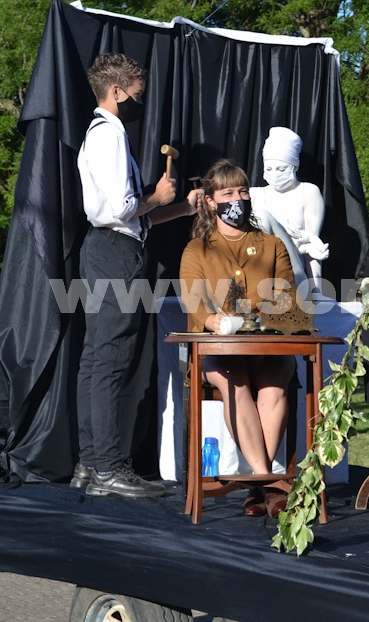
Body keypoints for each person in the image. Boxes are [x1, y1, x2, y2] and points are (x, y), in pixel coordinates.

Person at [72, 52, 201, 499]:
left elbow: (129, 217)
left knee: (96, 358)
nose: (139, 102)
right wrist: (156, 194)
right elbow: (123, 210)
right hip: (114, 254)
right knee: (109, 361)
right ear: (117, 92)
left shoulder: (103, 134)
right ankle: (108, 467)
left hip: (109, 249)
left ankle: (90, 465)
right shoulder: (109, 135)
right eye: (136, 95)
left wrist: (180, 207)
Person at [179, 158, 296, 518]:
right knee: (237, 381)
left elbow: (287, 297)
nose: (238, 199)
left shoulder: (272, 245)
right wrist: (211, 320)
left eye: (243, 191)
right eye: (228, 192)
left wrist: (259, 317)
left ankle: (257, 486)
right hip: (218, 352)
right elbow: (192, 298)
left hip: (266, 347)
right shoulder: (197, 249)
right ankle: (270, 485)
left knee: (275, 385)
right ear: (211, 201)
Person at [249, 126, 328, 290]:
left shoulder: (308, 192)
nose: (275, 174)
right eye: (269, 169)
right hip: (255, 271)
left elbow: (314, 251)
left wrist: (316, 290)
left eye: (281, 169)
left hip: (291, 273)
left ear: (295, 167)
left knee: (264, 218)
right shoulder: (255, 194)